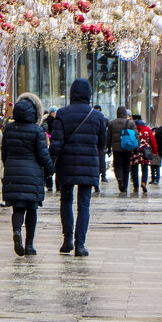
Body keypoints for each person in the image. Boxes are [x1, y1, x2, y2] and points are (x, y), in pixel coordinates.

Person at [49, 79, 106, 257]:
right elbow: (102, 144)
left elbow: (56, 143)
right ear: (88, 93)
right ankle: (80, 245)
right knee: (84, 205)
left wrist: (50, 163)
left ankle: (67, 240)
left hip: (66, 165)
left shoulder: (62, 114)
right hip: (88, 165)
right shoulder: (96, 116)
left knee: (65, 201)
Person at [1, 93, 54, 256]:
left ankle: (17, 231)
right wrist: (50, 170)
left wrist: (8, 165)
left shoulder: (9, 128)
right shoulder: (37, 130)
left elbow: (4, 151)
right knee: (32, 209)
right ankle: (29, 245)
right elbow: (43, 154)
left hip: (13, 171)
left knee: (18, 208)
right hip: (32, 174)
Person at [106, 106, 137, 196]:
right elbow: (136, 136)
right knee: (126, 167)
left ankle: (119, 178)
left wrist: (108, 148)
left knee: (117, 165)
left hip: (116, 149)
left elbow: (108, 137)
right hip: (127, 148)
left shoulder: (112, 123)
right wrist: (135, 148)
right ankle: (125, 186)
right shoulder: (130, 123)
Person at [130, 114, 158, 194]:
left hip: (134, 150)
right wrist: (155, 151)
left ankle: (135, 186)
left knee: (134, 169)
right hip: (145, 151)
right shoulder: (147, 129)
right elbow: (152, 140)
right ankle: (143, 183)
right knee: (145, 169)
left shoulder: (132, 128)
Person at [42, 108, 58, 192]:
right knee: (51, 165)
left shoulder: (57, 121)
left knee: (53, 165)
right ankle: (51, 185)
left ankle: (54, 185)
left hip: (52, 145)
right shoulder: (47, 122)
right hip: (49, 145)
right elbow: (45, 131)